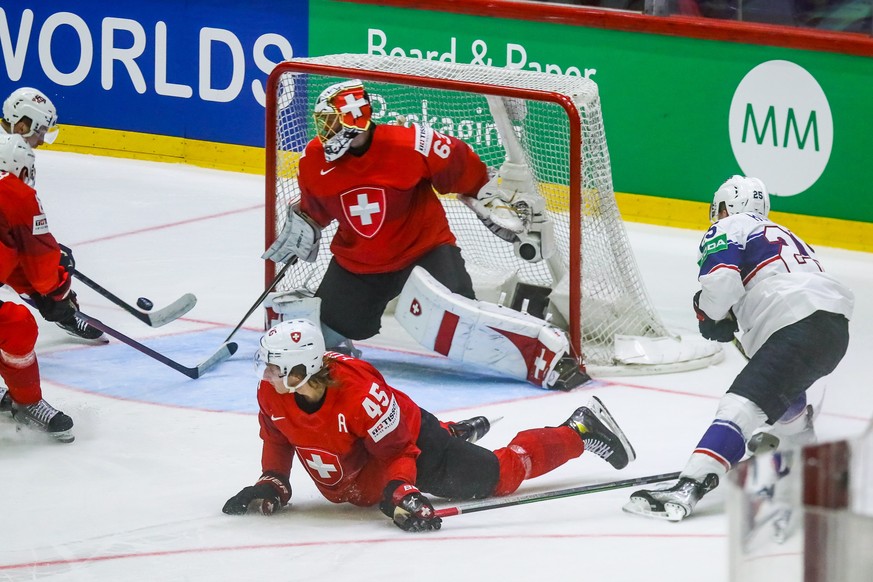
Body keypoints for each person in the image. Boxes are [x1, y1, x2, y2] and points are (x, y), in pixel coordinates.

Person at [262, 79, 586, 391]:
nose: (325, 132)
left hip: (423, 250)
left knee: (461, 317)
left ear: (355, 121)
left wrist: (489, 199)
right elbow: (315, 209)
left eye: (332, 123)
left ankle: (542, 354)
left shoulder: (412, 144)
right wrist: (304, 225)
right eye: (324, 123)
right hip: (359, 262)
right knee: (340, 325)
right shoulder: (314, 161)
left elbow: (464, 168)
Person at [223, 318, 636, 530]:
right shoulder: (273, 393)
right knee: (386, 458)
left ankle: (580, 431)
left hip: (410, 440)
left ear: (305, 367)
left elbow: (400, 448)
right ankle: (454, 433)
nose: (267, 374)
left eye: (276, 367)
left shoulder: (360, 395)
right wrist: (273, 481)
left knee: (496, 477)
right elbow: (278, 436)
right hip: (374, 446)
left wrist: (401, 488)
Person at [624, 175, 853, 521]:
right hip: (834, 329)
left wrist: (708, 310)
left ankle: (690, 485)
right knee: (779, 386)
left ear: (727, 205)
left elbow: (720, 282)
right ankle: (801, 447)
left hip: (796, 322)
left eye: (719, 209)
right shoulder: (784, 233)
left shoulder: (731, 225)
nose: (716, 215)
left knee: (740, 405)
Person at [1, 87, 104, 342]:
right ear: (22, 126)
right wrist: (56, 288)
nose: (42, 141)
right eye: (40, 132)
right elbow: (30, 259)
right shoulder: (15, 185)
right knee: (17, 325)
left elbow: (8, 249)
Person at [0, 134, 77, 442]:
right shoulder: (15, 193)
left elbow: (9, 255)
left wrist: (36, 290)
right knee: (16, 326)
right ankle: (27, 400)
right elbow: (42, 267)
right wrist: (57, 292)